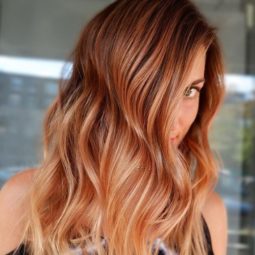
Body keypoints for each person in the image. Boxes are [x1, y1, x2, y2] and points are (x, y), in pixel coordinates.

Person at [0, 0, 228, 254]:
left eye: (190, 90)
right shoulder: (27, 200)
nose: (176, 119)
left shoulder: (205, 214)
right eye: (156, 90)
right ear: (109, 91)